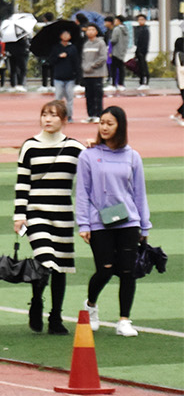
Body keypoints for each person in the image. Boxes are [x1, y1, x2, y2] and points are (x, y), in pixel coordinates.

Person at [75, 106, 150, 337]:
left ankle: (124, 320)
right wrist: (84, 224)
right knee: (105, 270)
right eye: (102, 123)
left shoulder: (132, 156)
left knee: (128, 271)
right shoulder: (88, 155)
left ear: (120, 126)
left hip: (128, 222)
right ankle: (91, 306)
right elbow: (83, 192)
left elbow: (139, 192)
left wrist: (144, 225)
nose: (104, 127)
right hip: (100, 222)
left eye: (110, 123)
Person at [14, 100, 83, 336]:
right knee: (45, 260)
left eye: (53, 115)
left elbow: (91, 170)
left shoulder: (75, 148)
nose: (48, 119)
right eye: (44, 114)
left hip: (63, 214)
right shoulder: (30, 146)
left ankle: (56, 317)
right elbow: (22, 183)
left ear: (64, 120)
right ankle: (36, 302)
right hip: (36, 213)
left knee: (60, 267)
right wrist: (19, 215)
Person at [80, 24, 106, 122]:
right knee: (89, 95)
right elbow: (83, 58)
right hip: (87, 74)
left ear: (96, 32)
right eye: (88, 30)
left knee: (97, 95)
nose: (90, 32)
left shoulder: (100, 43)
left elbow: (103, 57)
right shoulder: (85, 44)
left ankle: (99, 115)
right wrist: (84, 67)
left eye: (92, 30)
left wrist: (92, 66)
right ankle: (90, 115)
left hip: (97, 73)